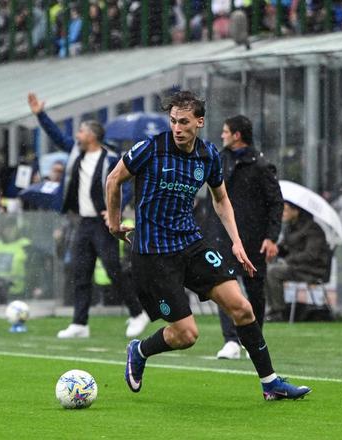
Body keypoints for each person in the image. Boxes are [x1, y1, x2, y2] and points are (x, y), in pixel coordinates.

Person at [106, 90, 310, 400]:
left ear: (199, 122)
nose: (177, 128)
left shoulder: (208, 155)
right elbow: (114, 179)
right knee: (187, 335)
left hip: (191, 244)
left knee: (242, 308)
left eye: (184, 122)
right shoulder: (150, 148)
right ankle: (140, 350)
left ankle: (270, 384)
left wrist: (237, 242)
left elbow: (221, 199)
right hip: (154, 254)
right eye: (173, 121)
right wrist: (113, 223)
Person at [27, 92, 149, 339]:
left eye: (81, 131)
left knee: (113, 268)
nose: (77, 135)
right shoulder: (76, 153)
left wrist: (114, 209)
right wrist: (40, 115)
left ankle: (138, 313)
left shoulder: (111, 158)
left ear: (92, 135)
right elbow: (56, 136)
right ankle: (79, 323)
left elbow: (125, 185)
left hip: (103, 223)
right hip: (83, 222)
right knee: (80, 271)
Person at [198, 114, 284, 360]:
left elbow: (276, 203)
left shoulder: (261, 165)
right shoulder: (218, 160)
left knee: (255, 290)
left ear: (237, 135)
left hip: (253, 238)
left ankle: (253, 339)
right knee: (224, 287)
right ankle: (231, 340)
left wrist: (271, 237)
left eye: (226, 131)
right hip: (221, 237)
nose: (222, 135)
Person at [264, 202, 331, 321]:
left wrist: (288, 260)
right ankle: (272, 309)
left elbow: (311, 254)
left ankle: (278, 311)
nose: (283, 213)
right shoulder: (290, 227)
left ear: (296, 211)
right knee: (265, 269)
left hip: (310, 270)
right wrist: (276, 250)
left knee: (273, 271)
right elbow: (285, 247)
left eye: (286, 210)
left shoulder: (313, 228)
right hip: (296, 267)